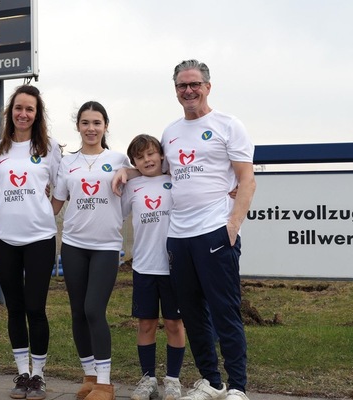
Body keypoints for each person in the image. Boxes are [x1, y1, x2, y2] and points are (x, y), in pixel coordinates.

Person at [113, 60, 256, 400]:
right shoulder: (170, 132)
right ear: (175, 90)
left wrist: (232, 226)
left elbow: (247, 179)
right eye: (181, 86)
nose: (188, 91)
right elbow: (155, 168)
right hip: (178, 238)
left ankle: (237, 386)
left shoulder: (228, 125)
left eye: (194, 84)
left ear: (208, 87)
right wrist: (126, 172)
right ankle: (212, 382)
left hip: (214, 233)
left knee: (224, 310)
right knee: (192, 314)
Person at [51, 101, 130, 400]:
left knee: (94, 309)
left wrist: (130, 172)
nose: (91, 128)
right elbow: (57, 203)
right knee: (77, 312)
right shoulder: (67, 163)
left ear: (106, 126)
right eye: (85, 123)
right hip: (73, 245)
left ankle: (106, 383)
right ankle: (89, 376)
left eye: (97, 123)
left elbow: (148, 170)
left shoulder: (118, 158)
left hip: (106, 247)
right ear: (78, 126)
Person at [0, 85, 62, 400]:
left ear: (37, 113)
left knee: (35, 307)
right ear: (10, 112)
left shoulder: (49, 148)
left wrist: (45, 213)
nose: (23, 114)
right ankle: (21, 375)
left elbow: (59, 190)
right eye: (18, 108)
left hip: (40, 239)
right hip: (3, 238)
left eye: (29, 109)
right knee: (14, 308)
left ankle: (39, 375)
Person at [120, 134, 185, 400]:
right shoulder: (132, 187)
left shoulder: (176, 181)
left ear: (161, 155)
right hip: (144, 267)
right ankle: (147, 379)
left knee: (174, 323)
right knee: (146, 324)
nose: (147, 160)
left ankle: (173, 380)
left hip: (174, 267)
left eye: (151, 154)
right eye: (139, 157)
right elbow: (117, 211)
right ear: (134, 161)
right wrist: (124, 173)